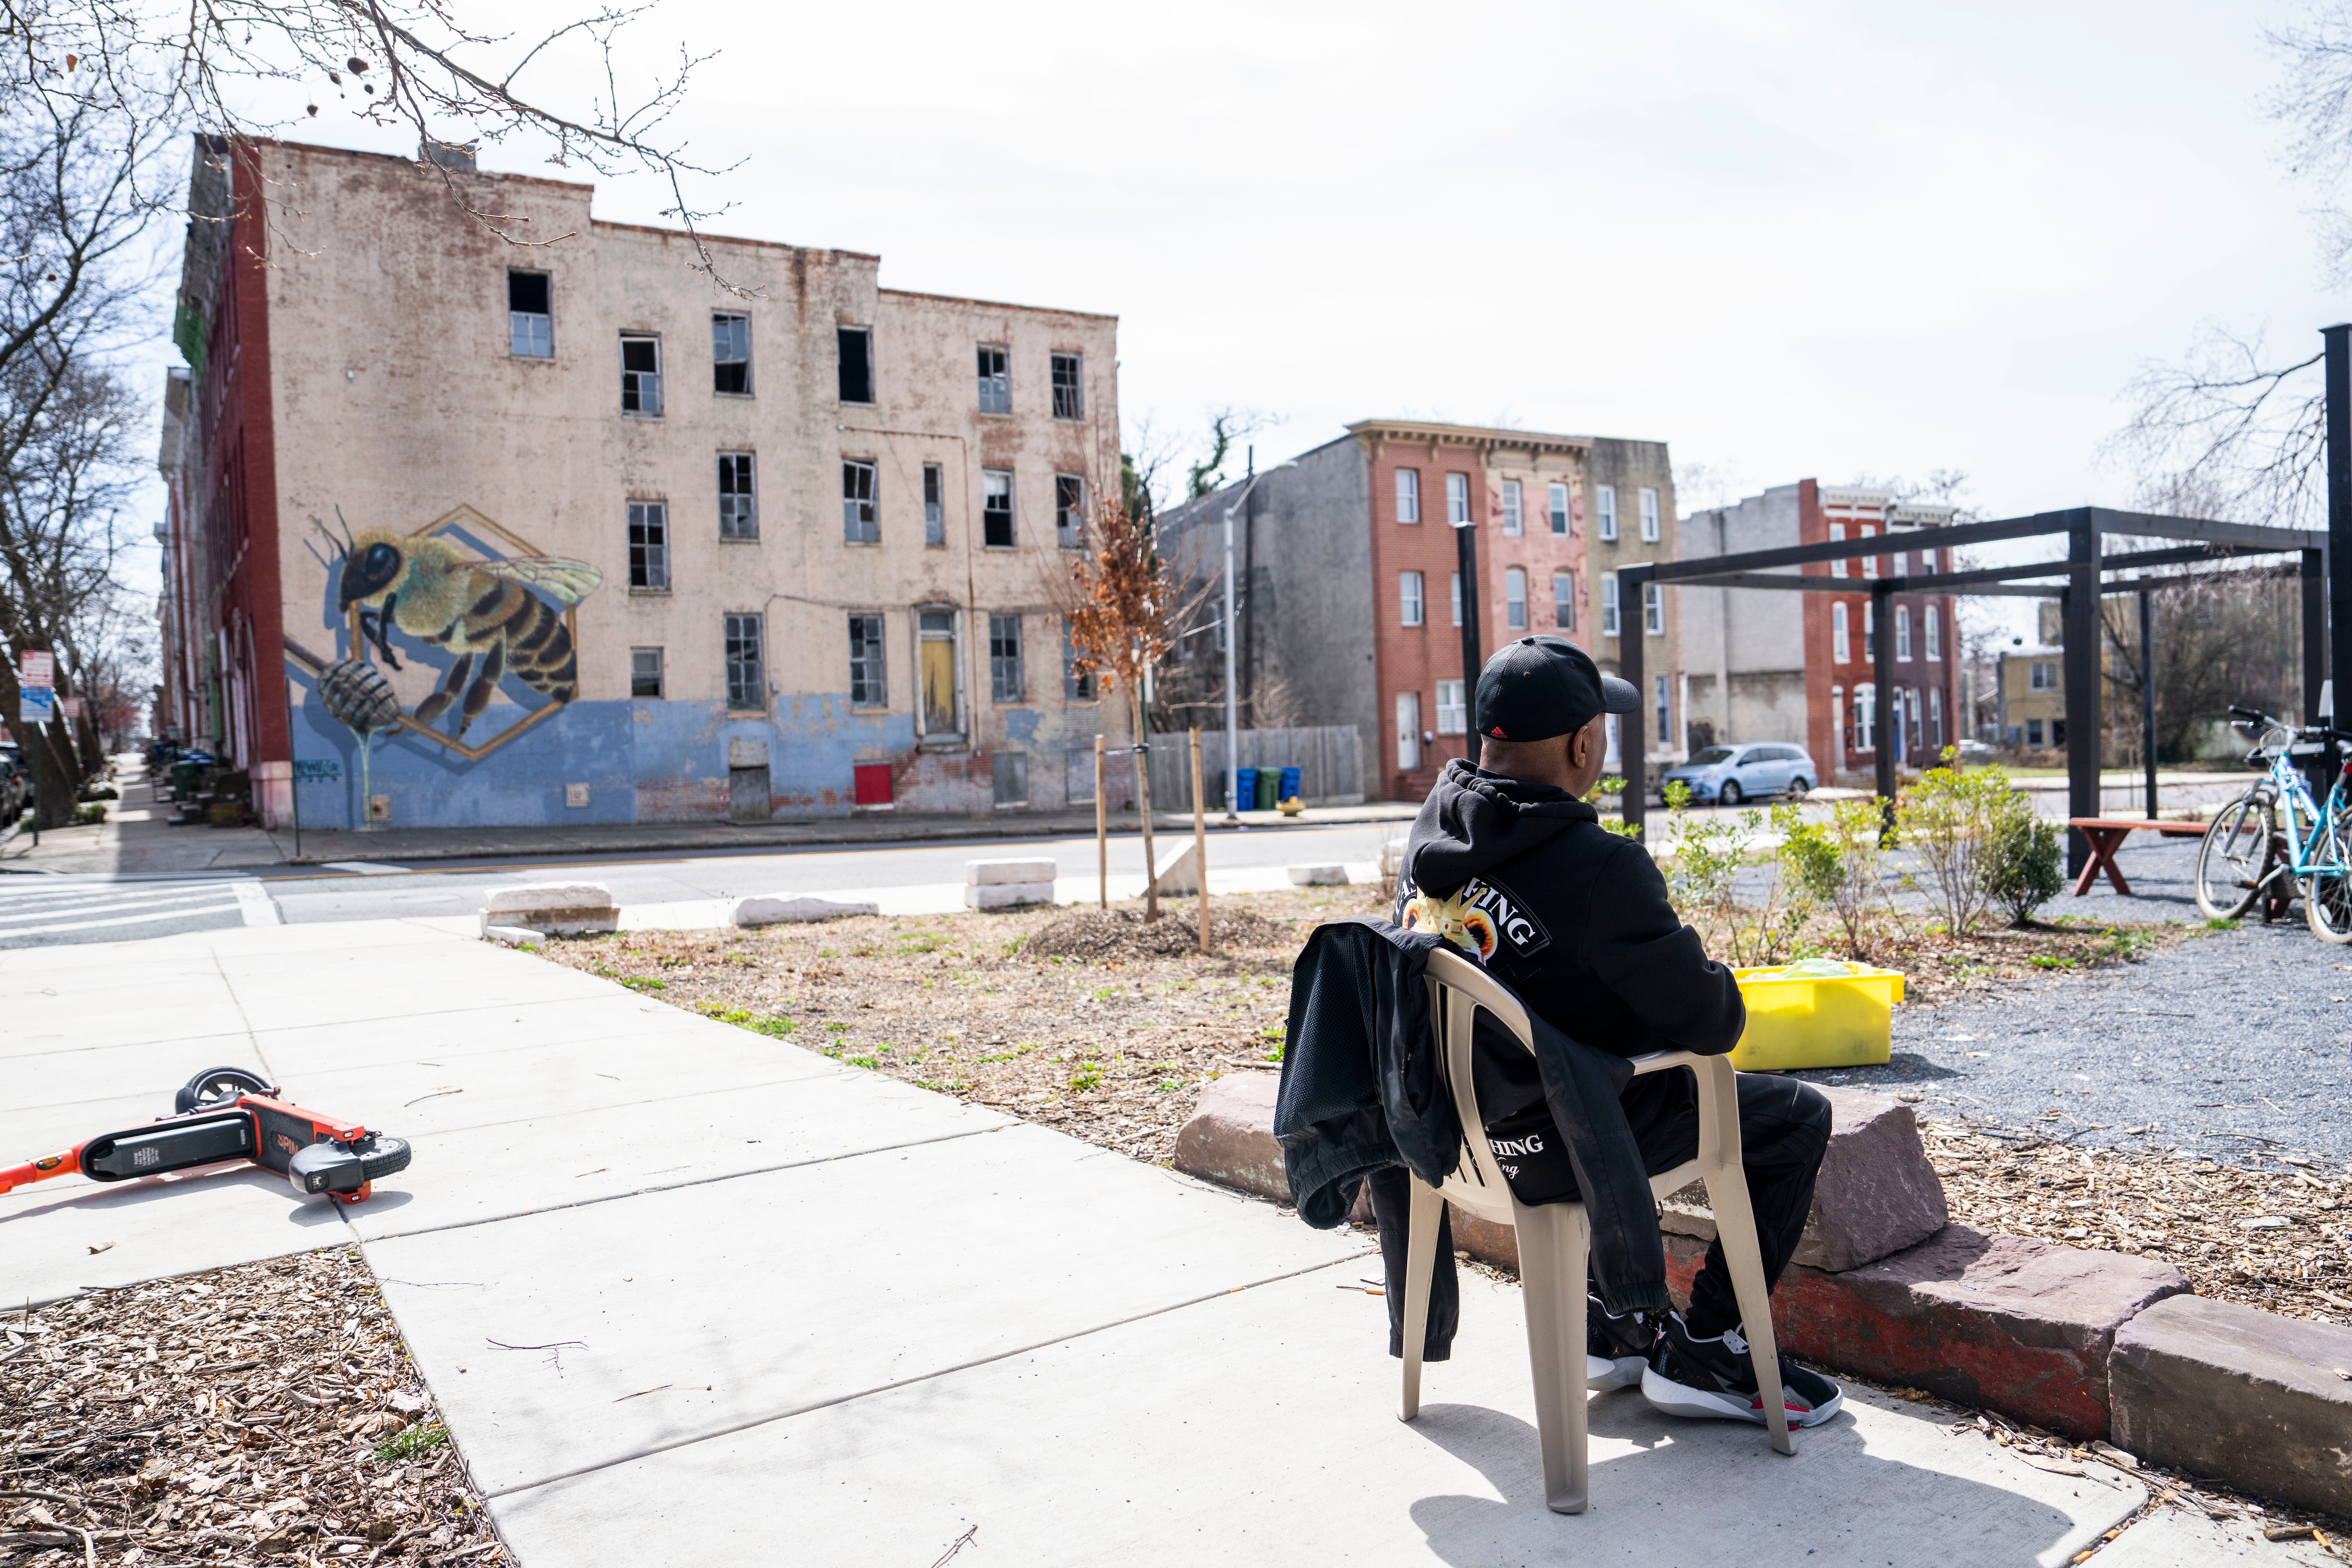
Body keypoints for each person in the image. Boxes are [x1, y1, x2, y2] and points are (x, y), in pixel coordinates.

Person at [1391, 634, 1843, 1429]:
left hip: (1453, 1137)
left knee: (1593, 1053)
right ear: (1583, 744)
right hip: (1566, 1149)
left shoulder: (1432, 833)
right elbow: (1714, 1021)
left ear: (1488, 735)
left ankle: (1611, 1323)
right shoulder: (1599, 866)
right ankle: (1708, 1345)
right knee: (1797, 1116)